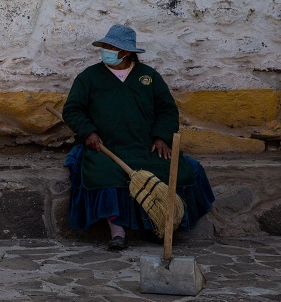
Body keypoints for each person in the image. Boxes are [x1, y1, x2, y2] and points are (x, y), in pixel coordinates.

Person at [61, 24, 214, 251]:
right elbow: (72, 110)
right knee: (105, 174)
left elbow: (167, 110)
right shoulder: (89, 77)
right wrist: (88, 132)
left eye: (112, 47)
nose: (107, 50)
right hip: (106, 147)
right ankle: (118, 232)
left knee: (181, 171)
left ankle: (161, 225)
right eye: (106, 46)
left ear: (127, 52)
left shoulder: (149, 77)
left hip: (145, 146)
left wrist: (161, 138)